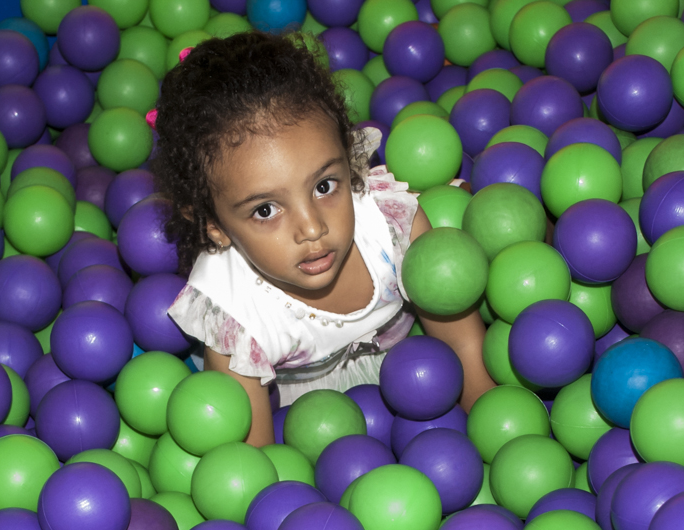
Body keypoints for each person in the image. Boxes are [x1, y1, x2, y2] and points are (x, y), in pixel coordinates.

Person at [152, 31, 495, 446]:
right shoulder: (236, 319)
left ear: (348, 162)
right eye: (266, 210)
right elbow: (255, 460)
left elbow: (462, 346)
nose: (312, 228)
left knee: (464, 237)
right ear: (215, 226)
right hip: (303, 415)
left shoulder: (390, 228)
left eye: (324, 186)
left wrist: (492, 439)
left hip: (417, 369)